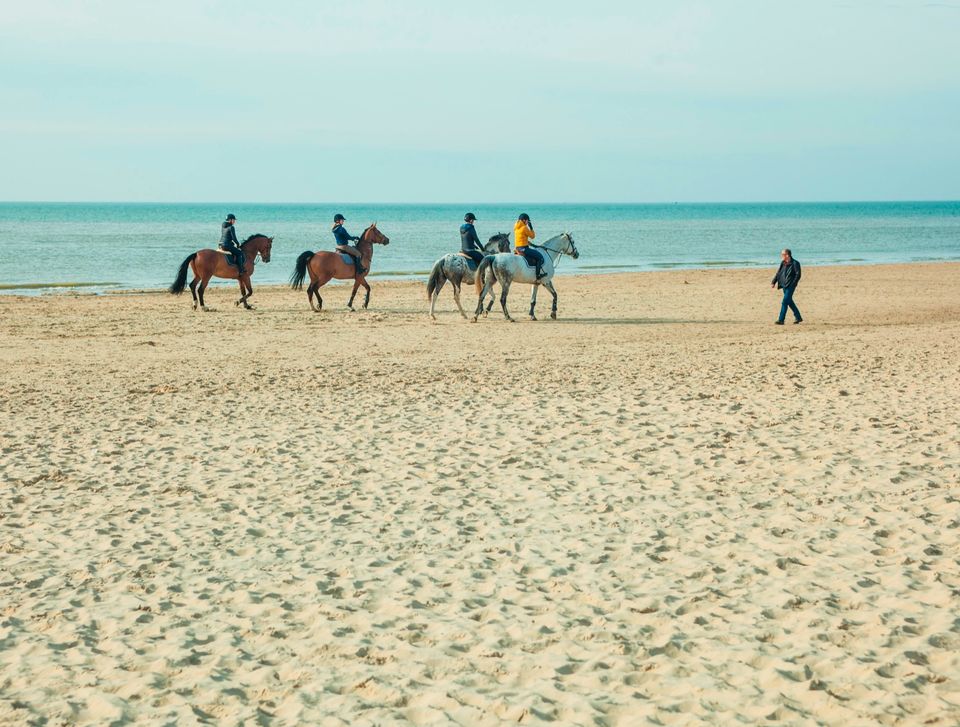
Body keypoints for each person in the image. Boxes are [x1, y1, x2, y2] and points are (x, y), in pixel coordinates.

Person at [771, 248, 803, 324]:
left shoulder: (795, 263)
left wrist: (793, 284)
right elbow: (778, 273)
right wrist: (774, 281)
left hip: (790, 286)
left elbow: (798, 275)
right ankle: (798, 317)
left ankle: (781, 320)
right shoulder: (783, 263)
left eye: (783, 254)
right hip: (784, 284)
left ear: (787, 255)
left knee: (784, 302)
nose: (781, 256)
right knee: (789, 301)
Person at [513, 213, 545, 279]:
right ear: (524, 220)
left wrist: (531, 244)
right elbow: (532, 236)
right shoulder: (524, 228)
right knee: (539, 257)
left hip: (517, 248)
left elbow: (522, 238)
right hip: (524, 249)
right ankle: (538, 275)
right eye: (527, 220)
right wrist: (531, 227)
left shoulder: (516, 227)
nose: (528, 222)